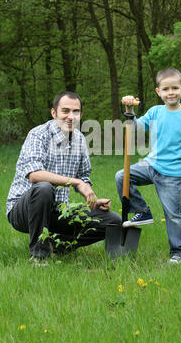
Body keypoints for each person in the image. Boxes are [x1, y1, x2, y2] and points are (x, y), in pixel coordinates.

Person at [6, 91, 121, 262]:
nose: (70, 116)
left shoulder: (80, 140)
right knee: (44, 188)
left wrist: (92, 199)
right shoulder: (38, 135)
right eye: (65, 111)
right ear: (54, 113)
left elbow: (83, 176)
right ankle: (39, 257)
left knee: (112, 221)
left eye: (75, 112)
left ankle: (58, 246)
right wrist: (76, 182)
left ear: (81, 115)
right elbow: (35, 175)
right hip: (24, 210)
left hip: (60, 211)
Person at [115, 68, 181, 264]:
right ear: (158, 92)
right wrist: (130, 111)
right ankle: (142, 210)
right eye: (166, 89)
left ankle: (180, 252)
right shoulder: (155, 112)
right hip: (150, 165)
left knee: (173, 215)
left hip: (172, 174)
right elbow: (136, 128)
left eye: (174, 88)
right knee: (122, 176)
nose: (170, 92)